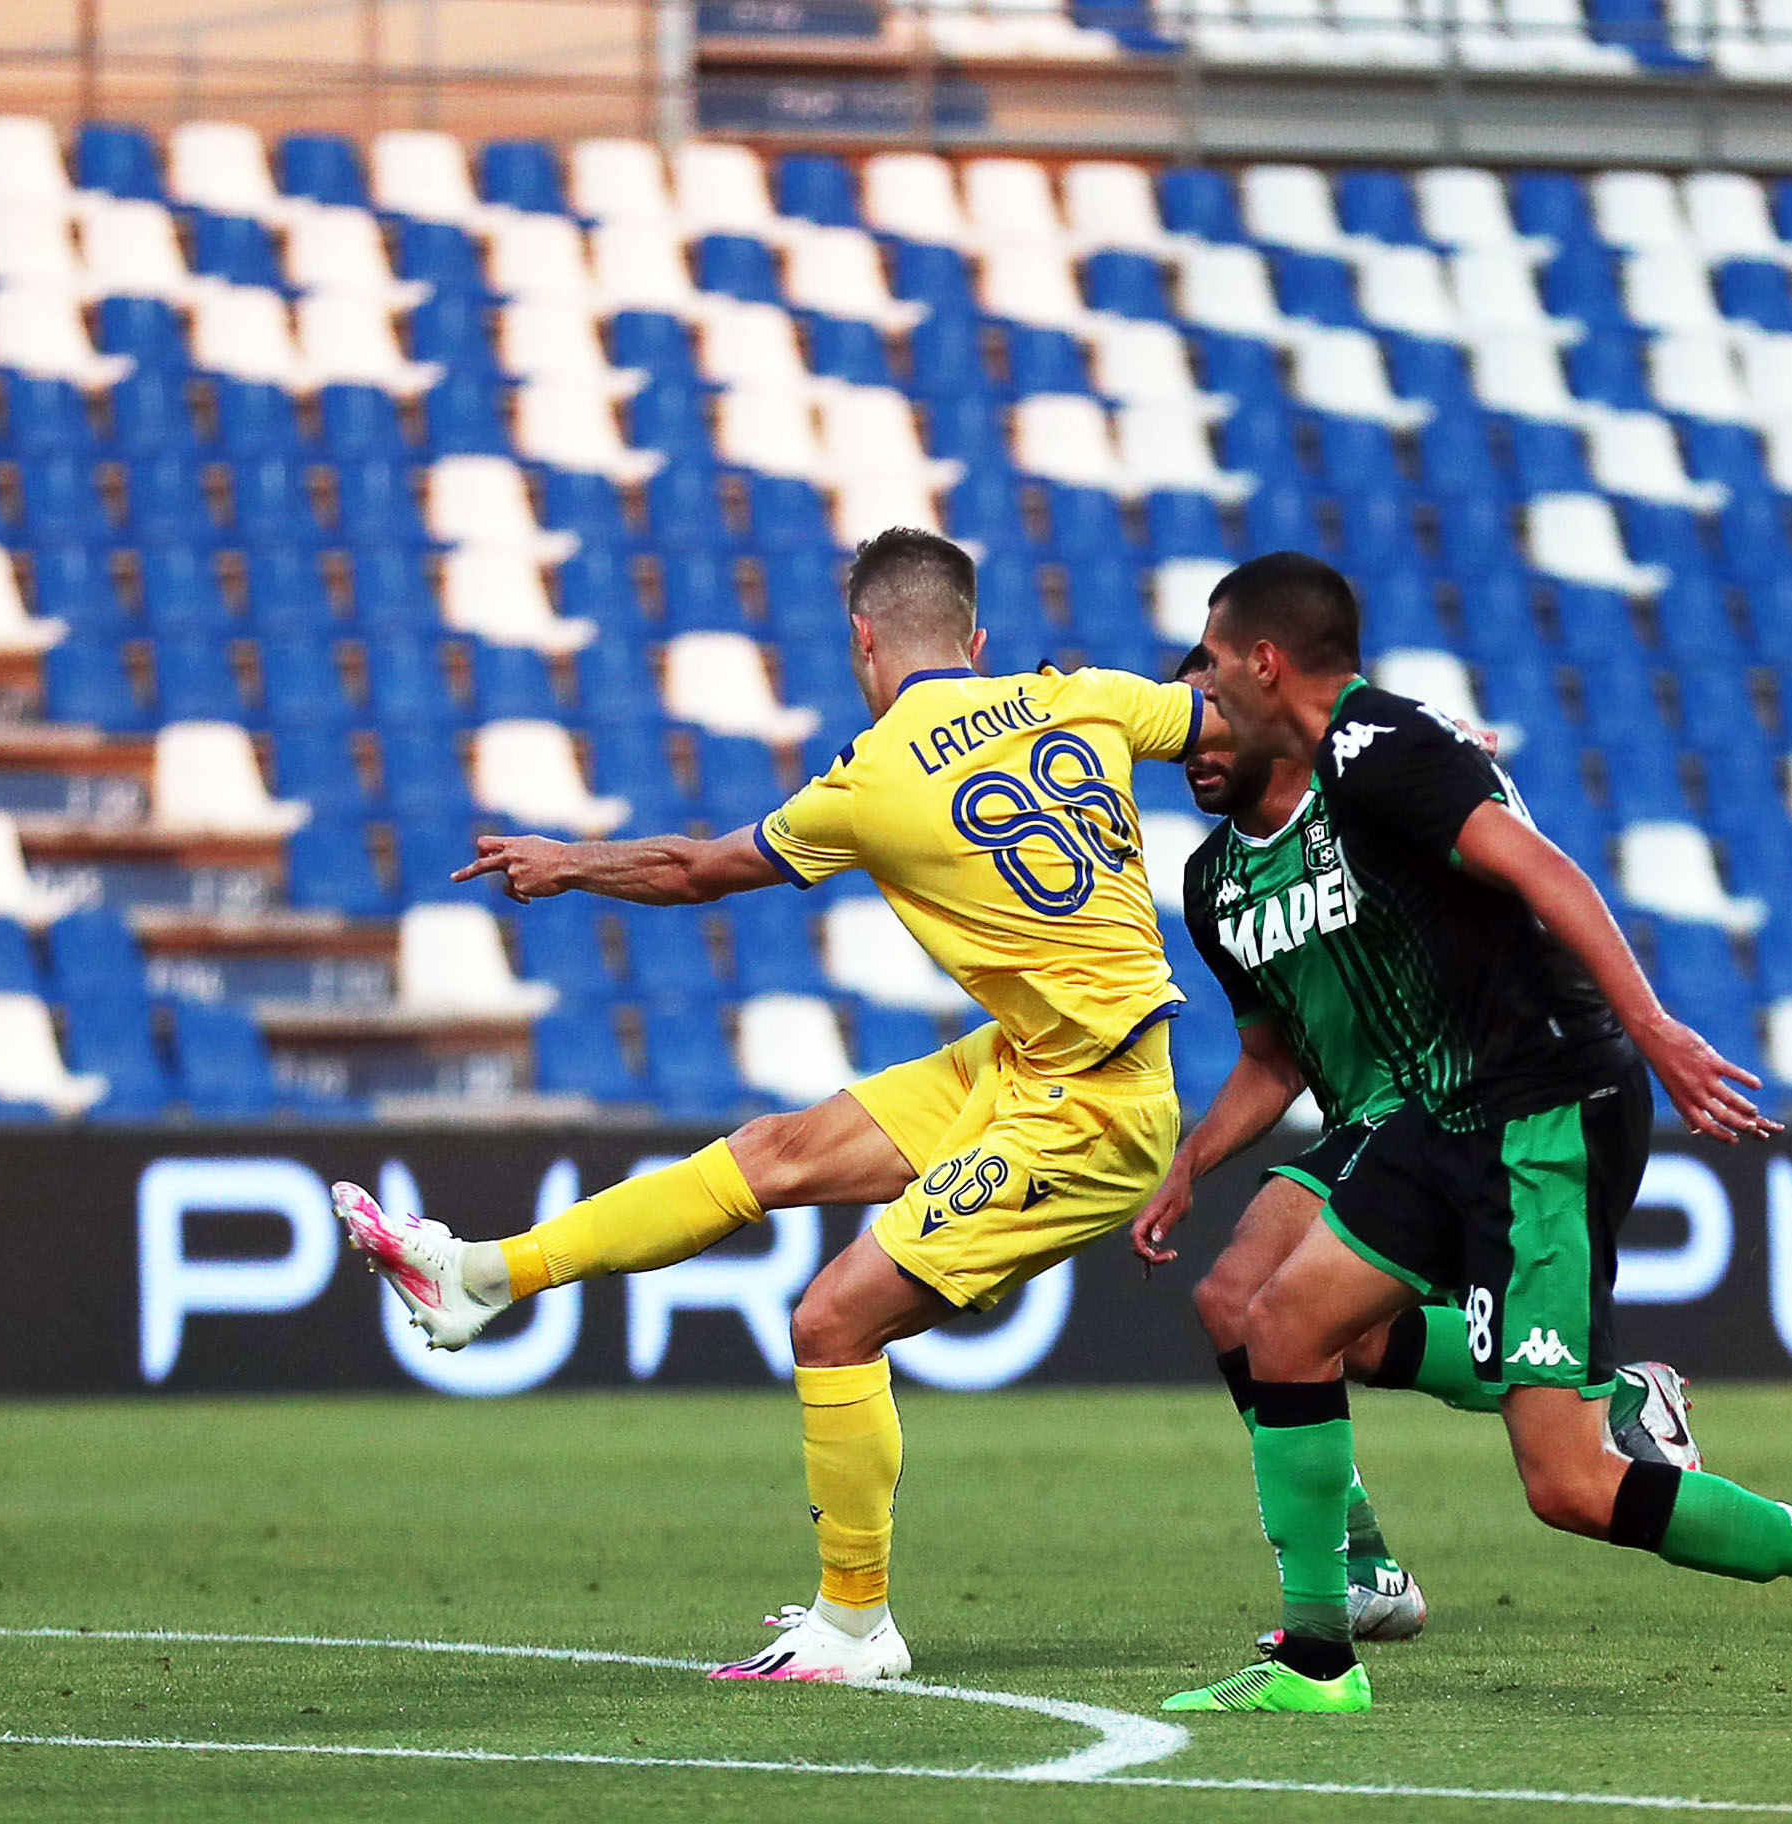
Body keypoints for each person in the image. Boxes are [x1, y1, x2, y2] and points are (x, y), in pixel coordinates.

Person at [334, 526, 1208, 1683]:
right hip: (1039, 1059)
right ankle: (480, 1277)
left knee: (830, 1322)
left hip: (1087, 1104)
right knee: (772, 1154)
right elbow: (1232, 715)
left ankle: (855, 1624)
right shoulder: (1080, 695)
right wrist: (1418, 756)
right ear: (977, 638)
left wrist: (567, 861)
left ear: (860, 639)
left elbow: (696, 871)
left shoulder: (875, 777)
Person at [1166, 551, 1792, 1720]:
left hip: (1536, 1110)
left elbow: (1539, 865)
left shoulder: (1373, 746)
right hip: (1445, 1109)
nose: (1197, 698)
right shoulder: (1340, 776)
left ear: (1262, 660)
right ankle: (1317, 1657)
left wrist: (1651, 1028)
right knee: (1278, 1321)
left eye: (1211, 662)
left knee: (1568, 1486)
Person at [1136, 645, 1705, 1648]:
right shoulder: (1210, 884)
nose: (1194, 747)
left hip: (1446, 1091)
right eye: (1180, 730)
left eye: (1210, 718)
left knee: (1249, 1303)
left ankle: (1356, 1573)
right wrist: (1189, 1161)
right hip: (1360, 1117)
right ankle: (1601, 1401)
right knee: (1301, 1327)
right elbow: (1270, 1059)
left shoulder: (1359, 805)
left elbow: (1474, 832)